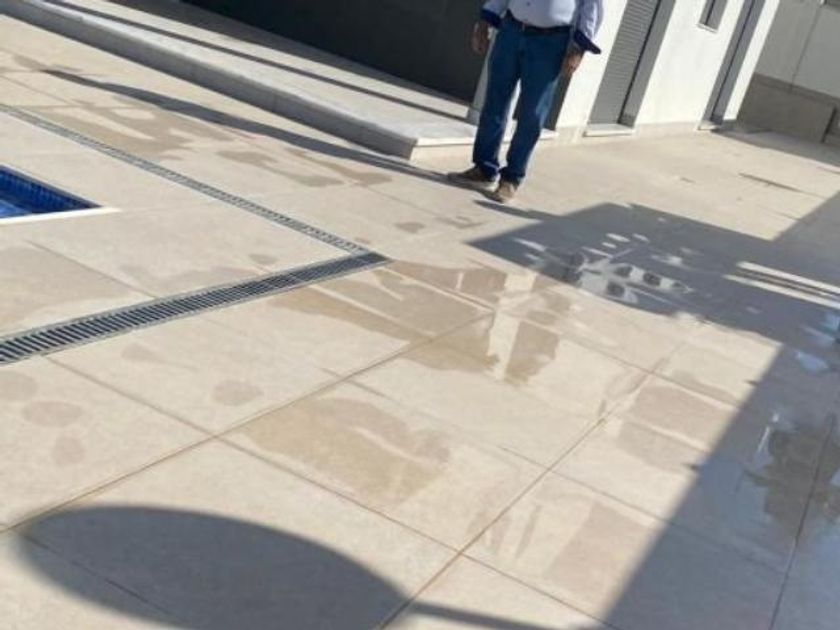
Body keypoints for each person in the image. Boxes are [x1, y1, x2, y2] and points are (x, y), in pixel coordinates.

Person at [448, 0, 604, 203]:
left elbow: (592, 6)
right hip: (511, 31)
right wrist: (485, 21)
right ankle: (484, 169)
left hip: (550, 42)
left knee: (533, 113)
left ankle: (511, 178)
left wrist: (579, 49)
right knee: (495, 101)